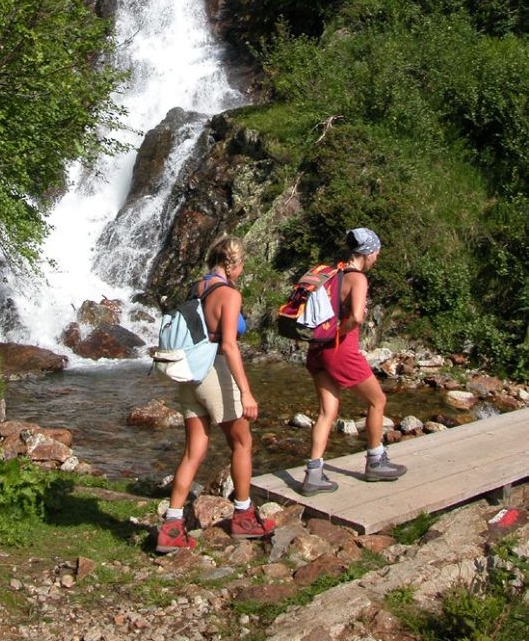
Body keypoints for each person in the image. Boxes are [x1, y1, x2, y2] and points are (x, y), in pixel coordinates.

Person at [156, 234, 275, 552]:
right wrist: (246, 392)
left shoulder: (198, 286)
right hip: (214, 370)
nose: (242, 271)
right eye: (242, 265)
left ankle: (171, 525)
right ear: (233, 264)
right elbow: (228, 345)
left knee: (194, 449)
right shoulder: (228, 294)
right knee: (242, 442)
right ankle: (243, 515)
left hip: (189, 373)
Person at [301, 227, 407, 496]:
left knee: (327, 412)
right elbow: (357, 317)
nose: (377, 258)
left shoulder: (331, 274)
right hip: (340, 350)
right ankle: (375, 461)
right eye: (377, 253)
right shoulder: (357, 279)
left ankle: (313, 474)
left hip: (316, 349)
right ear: (368, 253)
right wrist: (341, 332)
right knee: (377, 400)